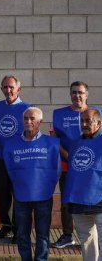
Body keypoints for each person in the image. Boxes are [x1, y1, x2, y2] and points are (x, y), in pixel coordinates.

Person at [3, 107, 61, 261]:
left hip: (44, 196)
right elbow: (9, 169)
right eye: (26, 118)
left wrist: (46, 186)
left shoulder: (53, 144)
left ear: (40, 122)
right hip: (21, 196)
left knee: (42, 234)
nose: (28, 121)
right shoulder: (11, 144)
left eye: (32, 118)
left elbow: (57, 170)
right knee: (22, 234)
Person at [0, 75, 31, 242]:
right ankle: (6, 226)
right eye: (5, 87)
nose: (8, 90)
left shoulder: (27, 108)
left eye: (11, 87)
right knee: (2, 193)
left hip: (20, 158)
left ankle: (19, 229)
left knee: (19, 193)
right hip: (0, 156)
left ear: (18, 89)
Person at [52, 81, 92, 248]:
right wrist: (68, 156)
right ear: (70, 94)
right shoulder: (59, 114)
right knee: (66, 201)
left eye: (80, 92)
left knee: (92, 200)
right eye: (74, 92)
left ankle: (92, 236)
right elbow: (55, 139)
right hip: (67, 165)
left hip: (90, 168)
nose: (77, 95)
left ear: (86, 94)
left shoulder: (96, 114)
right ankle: (68, 235)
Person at [63, 109, 102, 261]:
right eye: (82, 121)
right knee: (86, 241)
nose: (84, 124)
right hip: (78, 201)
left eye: (88, 121)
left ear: (98, 123)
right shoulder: (75, 143)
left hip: (100, 200)